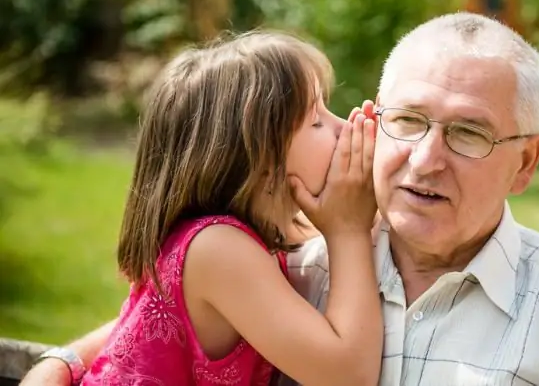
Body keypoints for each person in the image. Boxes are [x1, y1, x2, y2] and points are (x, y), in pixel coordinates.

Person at [22, 13, 539, 386]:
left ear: (526, 160)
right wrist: (56, 363)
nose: (426, 158)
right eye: (407, 120)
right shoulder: (300, 267)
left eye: (468, 132)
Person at [30, 30, 384, 386]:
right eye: (316, 121)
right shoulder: (218, 248)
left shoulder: (246, 233)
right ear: (259, 159)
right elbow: (349, 377)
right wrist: (347, 231)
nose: (343, 126)